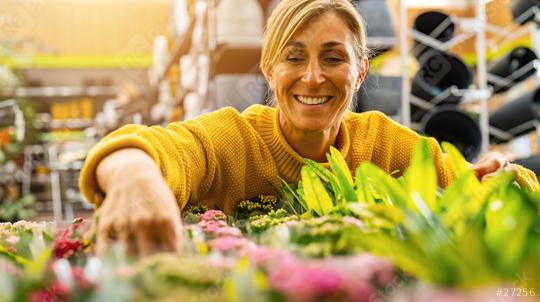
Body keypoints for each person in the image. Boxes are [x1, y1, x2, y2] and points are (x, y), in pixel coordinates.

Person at [79, 0, 538, 258]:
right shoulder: (234, 140)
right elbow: (157, 149)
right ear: (269, 70)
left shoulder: (382, 143)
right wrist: (135, 178)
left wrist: (502, 180)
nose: (313, 77)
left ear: (359, 73)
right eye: (294, 58)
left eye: (334, 58)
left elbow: (471, 180)